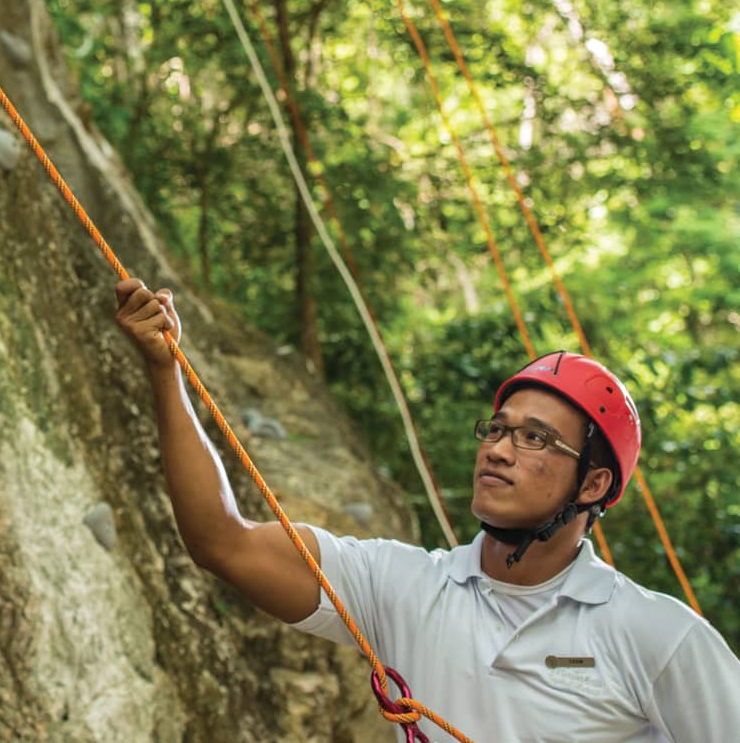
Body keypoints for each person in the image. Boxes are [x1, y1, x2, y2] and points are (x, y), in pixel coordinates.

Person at [112, 278, 740, 741]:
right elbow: (223, 542)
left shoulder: (656, 635)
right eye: (497, 430)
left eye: (535, 438)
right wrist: (167, 374)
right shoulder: (403, 587)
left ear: (594, 484)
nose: (498, 449)